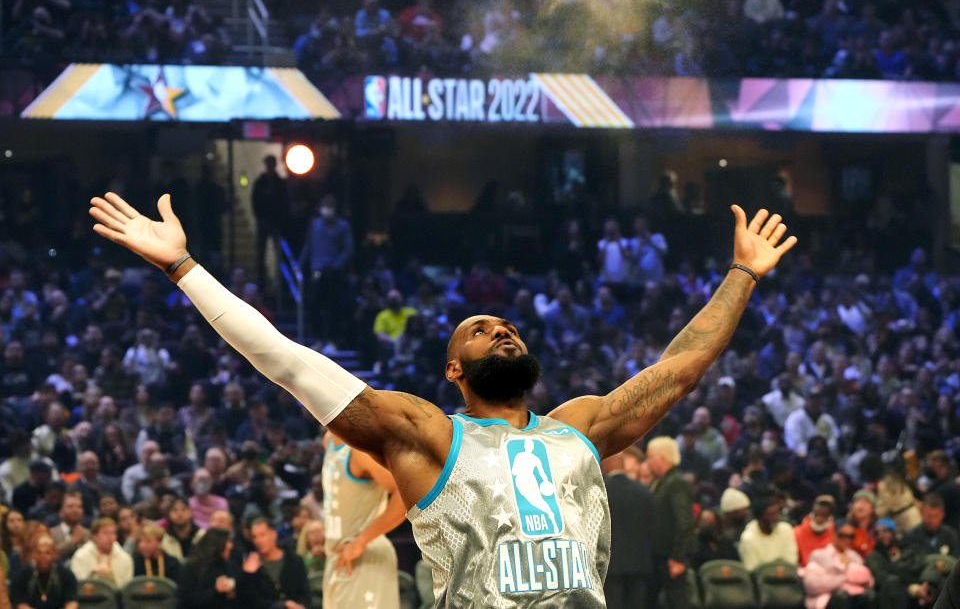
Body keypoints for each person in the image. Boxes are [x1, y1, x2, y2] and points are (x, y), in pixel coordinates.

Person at [89, 191, 796, 606]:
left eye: (509, 326)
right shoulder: (426, 433)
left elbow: (681, 368)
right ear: (455, 369)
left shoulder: (580, 426)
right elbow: (289, 361)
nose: (504, 331)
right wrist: (184, 267)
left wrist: (742, 272)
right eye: (483, 331)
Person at [321, 432, 405, 608]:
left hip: (364, 555)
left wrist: (361, 541)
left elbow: (405, 494)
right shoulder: (328, 440)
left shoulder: (359, 450)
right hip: (337, 557)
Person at [602, 450, 655, 609]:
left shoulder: (601, 490)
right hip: (640, 563)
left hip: (611, 566)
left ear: (605, 465)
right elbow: (651, 526)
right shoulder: (643, 491)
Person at [299, 195, 353, 342]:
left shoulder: (343, 226)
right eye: (325, 205)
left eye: (330, 206)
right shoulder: (315, 225)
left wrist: (337, 265)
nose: (327, 209)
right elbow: (309, 246)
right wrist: (300, 264)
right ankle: (319, 337)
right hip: (317, 271)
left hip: (335, 273)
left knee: (334, 306)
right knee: (314, 304)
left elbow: (347, 249)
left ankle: (333, 339)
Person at [648, 436, 694, 609]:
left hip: (671, 557)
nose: (648, 462)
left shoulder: (676, 483)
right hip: (662, 556)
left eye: (650, 457)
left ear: (661, 458)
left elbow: (684, 522)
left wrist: (678, 557)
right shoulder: (663, 482)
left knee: (677, 601)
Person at [239, 517, 311, 609]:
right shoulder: (251, 566)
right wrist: (248, 575)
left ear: (274, 534)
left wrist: (301, 606)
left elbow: (306, 594)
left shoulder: (294, 560)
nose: (258, 540)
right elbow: (249, 602)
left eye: (262, 535)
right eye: (254, 537)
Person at [803, 521, 875, 609]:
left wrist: (835, 578)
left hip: (855, 597)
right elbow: (812, 585)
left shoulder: (855, 556)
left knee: (869, 596)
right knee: (841, 595)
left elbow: (869, 581)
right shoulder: (819, 555)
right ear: (834, 534)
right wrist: (847, 578)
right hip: (828, 599)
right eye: (842, 535)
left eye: (851, 537)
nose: (847, 540)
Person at [10, 534, 77, 609]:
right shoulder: (22, 576)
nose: (43, 556)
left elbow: (72, 603)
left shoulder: (66, 574)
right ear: (34, 555)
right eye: (39, 553)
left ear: (54, 555)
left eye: (47, 553)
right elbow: (21, 605)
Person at [178, 527, 240, 609]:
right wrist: (215, 590)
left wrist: (232, 592)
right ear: (218, 543)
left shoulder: (229, 565)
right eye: (228, 541)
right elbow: (186, 600)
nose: (231, 546)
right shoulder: (192, 567)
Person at [251, 155, 289, 289]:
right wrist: (260, 218)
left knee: (280, 254)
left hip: (276, 223)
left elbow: (284, 202)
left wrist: (280, 219)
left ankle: (281, 284)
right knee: (261, 253)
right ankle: (262, 283)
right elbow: (255, 201)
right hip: (264, 221)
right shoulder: (260, 183)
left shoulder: (280, 183)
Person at [738, 493, 799, 570]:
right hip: (761, 580)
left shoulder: (786, 529)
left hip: (787, 576)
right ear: (760, 517)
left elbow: (791, 561)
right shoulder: (748, 538)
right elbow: (752, 569)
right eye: (771, 515)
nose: (776, 518)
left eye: (777, 514)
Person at [69, 517, 133, 587]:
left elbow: (126, 589)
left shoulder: (125, 558)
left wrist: (110, 576)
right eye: (105, 533)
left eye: (113, 533)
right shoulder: (81, 556)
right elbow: (78, 586)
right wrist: (92, 574)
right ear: (95, 536)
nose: (110, 537)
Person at [795, 495, 837, 567]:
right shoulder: (797, 533)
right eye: (820, 506)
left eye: (827, 509)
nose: (823, 509)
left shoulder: (837, 535)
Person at [49, 491, 87, 561]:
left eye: (79, 507)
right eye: (70, 506)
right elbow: (50, 555)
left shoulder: (88, 534)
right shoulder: (50, 533)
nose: (75, 510)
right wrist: (73, 541)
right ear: (61, 512)